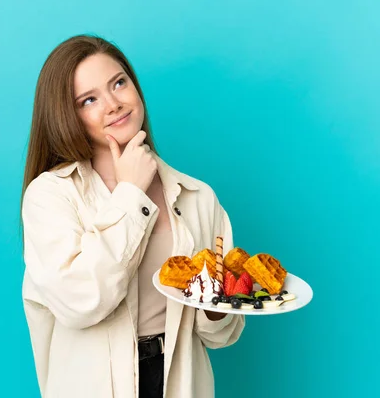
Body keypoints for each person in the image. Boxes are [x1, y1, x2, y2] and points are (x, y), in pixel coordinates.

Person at [20, 34, 245, 398]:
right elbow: (80, 303)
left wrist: (217, 306)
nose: (113, 104)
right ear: (66, 115)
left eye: (119, 83)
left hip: (180, 382)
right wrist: (132, 195)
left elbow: (219, 336)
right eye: (88, 100)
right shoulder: (50, 196)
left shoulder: (198, 197)